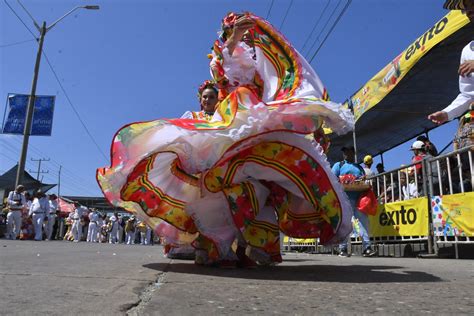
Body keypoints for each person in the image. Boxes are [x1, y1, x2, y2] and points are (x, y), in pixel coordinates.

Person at [98, 12, 354, 267]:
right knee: (223, 187)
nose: (243, 37)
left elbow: (272, 87)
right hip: (232, 125)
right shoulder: (225, 62)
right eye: (232, 30)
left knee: (260, 186)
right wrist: (234, 37)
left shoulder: (258, 66)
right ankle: (215, 244)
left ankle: (252, 244)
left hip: (254, 125)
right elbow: (223, 67)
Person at [428, 1, 474, 149]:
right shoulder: (467, 51)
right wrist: (447, 113)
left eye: (473, 3)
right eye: (466, 7)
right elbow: (468, 94)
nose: (468, 10)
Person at [332, 146, 377, 257]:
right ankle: (342, 249)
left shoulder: (359, 167)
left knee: (363, 223)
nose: (346, 153)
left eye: (348, 151)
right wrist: (342, 180)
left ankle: (367, 247)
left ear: (353, 152)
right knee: (345, 223)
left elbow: (363, 179)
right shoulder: (339, 165)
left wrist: (361, 180)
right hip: (344, 199)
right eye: (344, 152)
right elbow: (332, 178)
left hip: (359, 199)